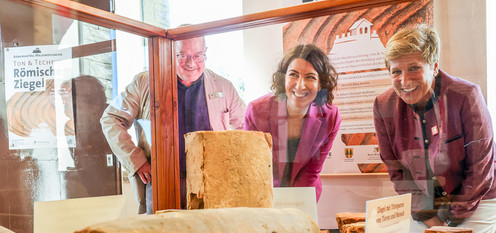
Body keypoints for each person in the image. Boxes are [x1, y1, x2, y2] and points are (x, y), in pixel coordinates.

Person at [373, 24, 496, 233]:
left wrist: (453, 221)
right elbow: (397, 170)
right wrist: (430, 218)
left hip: (480, 194)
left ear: (434, 67)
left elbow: (479, 167)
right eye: (396, 71)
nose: (404, 80)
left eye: (414, 68)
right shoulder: (382, 105)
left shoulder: (466, 95)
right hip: (428, 201)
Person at [101, 36, 246, 214]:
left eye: (198, 55)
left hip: (210, 181)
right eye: (182, 55)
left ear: (206, 54)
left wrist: (232, 168)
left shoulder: (224, 87)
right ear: (170, 54)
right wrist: (136, 161)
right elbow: (111, 119)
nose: (191, 63)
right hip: (161, 180)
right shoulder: (144, 82)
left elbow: (245, 129)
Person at [244, 44, 340, 202]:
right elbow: (254, 167)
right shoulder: (256, 111)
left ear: (320, 84)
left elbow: (311, 171)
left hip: (304, 193)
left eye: (310, 77)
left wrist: (294, 205)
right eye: (293, 74)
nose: (300, 85)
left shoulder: (331, 116)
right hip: (264, 193)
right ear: (283, 78)